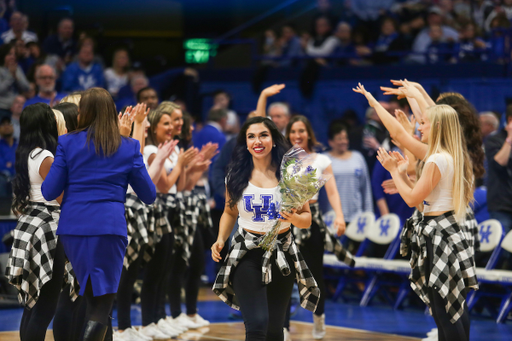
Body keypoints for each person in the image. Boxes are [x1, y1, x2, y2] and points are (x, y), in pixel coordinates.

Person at [354, 83, 477, 341]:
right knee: (451, 307)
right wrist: (409, 95)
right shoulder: (448, 154)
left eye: (424, 124)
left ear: (439, 128)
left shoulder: (437, 158)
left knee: (446, 310)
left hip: (441, 235)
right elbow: (422, 201)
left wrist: (394, 172)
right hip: (446, 231)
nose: (419, 126)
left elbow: (411, 200)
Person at [41, 88, 156, 340]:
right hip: (108, 228)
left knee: (91, 296)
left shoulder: (67, 142)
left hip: (72, 229)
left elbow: (49, 191)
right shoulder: (129, 147)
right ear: (111, 113)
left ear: (85, 113)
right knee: (101, 304)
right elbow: (149, 195)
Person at [212, 116, 319, 341]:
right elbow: (230, 212)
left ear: (273, 139)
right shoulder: (235, 174)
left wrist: (293, 217)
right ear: (245, 142)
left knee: (273, 329)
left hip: (282, 252)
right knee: (257, 323)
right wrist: (221, 238)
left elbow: (307, 218)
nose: (257, 141)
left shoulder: (292, 173)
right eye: (251, 136)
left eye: (263, 135)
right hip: (246, 252)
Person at [6, 103, 78, 341]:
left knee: (32, 305)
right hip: (47, 226)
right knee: (46, 304)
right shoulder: (46, 155)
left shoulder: (27, 152)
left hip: (31, 224)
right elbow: (62, 196)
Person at [284, 115, 354, 340]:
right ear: (288, 135)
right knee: (285, 274)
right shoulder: (282, 160)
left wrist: (340, 216)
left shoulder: (321, 160)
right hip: (287, 218)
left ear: (308, 133)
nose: (297, 135)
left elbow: (332, 191)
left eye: (301, 131)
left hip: (312, 219)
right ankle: (283, 327)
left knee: (314, 274)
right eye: (293, 131)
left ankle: (319, 317)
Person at [139, 102, 198, 338]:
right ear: (153, 127)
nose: (175, 125)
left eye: (174, 121)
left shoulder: (171, 148)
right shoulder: (151, 150)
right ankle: (146, 321)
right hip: (157, 209)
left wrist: (189, 167)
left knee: (164, 269)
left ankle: (159, 318)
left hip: (172, 209)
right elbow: (163, 185)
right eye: (168, 122)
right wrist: (182, 165)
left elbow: (180, 185)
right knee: (154, 271)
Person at [0, 43, 29, 117]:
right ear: (4, 55)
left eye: (14, 54)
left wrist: (16, 77)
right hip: (2, 108)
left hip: (17, 108)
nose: (12, 57)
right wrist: (11, 76)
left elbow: (26, 87)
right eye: (9, 54)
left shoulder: (17, 69)